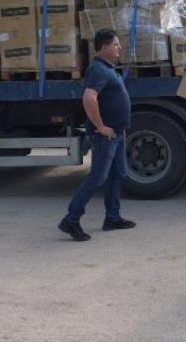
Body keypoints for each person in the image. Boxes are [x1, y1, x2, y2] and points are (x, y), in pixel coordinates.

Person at [59, 29, 135, 241]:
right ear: (103, 47)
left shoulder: (109, 69)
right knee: (97, 177)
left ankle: (112, 218)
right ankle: (71, 220)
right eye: (116, 44)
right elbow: (89, 99)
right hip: (106, 135)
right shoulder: (98, 70)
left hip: (117, 133)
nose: (119, 48)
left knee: (118, 175)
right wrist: (101, 127)